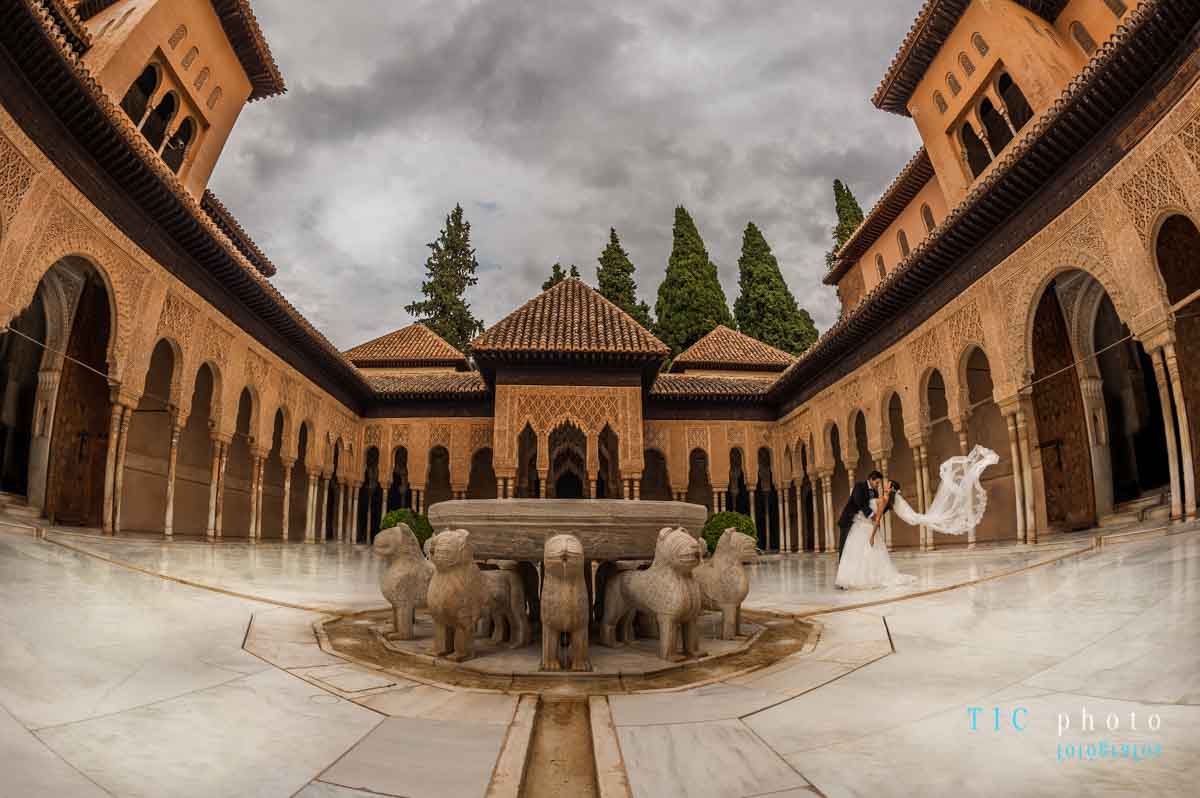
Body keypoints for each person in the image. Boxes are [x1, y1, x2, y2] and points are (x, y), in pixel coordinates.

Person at [834, 445, 1000, 590]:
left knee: (862, 553)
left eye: (884, 483)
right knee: (851, 551)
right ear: (873, 479)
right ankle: (847, 578)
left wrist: (871, 533)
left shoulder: (885, 498)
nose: (881, 484)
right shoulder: (863, 488)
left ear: (890, 488)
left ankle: (857, 578)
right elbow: (860, 502)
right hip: (853, 522)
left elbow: (876, 517)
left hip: (866, 527)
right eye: (879, 482)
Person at [836, 470, 884, 562]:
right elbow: (859, 501)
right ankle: (842, 564)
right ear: (870, 479)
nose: (878, 485)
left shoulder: (875, 492)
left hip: (863, 521)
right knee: (845, 543)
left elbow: (874, 505)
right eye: (877, 482)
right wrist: (871, 514)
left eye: (879, 483)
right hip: (849, 519)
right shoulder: (859, 486)